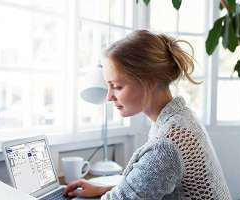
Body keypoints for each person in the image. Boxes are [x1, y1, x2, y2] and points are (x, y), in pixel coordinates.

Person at [63, 30, 231, 199]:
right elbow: (151, 184)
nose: (109, 97)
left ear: (149, 81)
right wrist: (104, 189)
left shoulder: (166, 146)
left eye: (117, 86)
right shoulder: (181, 118)